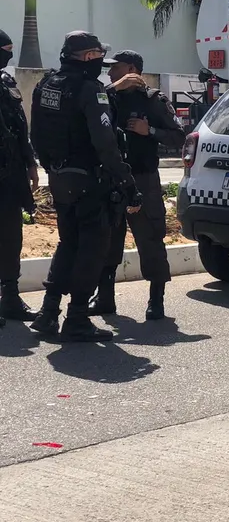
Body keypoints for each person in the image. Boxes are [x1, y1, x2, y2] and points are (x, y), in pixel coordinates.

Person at [28, 31, 142, 342]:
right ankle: (77, 316)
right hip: (91, 179)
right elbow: (105, 143)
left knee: (68, 243)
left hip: (60, 178)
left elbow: (35, 133)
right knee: (92, 249)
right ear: (89, 57)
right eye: (97, 56)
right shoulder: (91, 90)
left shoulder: (46, 83)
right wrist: (126, 180)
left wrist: (52, 167)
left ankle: (48, 312)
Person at [88, 50, 186, 321]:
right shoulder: (107, 96)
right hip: (111, 180)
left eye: (115, 68)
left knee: (150, 239)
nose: (109, 72)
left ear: (131, 68)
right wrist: (115, 87)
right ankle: (105, 298)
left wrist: (149, 131)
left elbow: (179, 137)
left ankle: (156, 301)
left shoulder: (153, 100)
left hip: (143, 179)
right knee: (108, 240)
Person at [0, 30, 40, 327]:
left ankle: (10, 299)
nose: (9, 54)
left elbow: (20, 126)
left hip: (10, 176)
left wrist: (30, 163)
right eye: (5, 49)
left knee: (11, 237)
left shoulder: (6, 83)